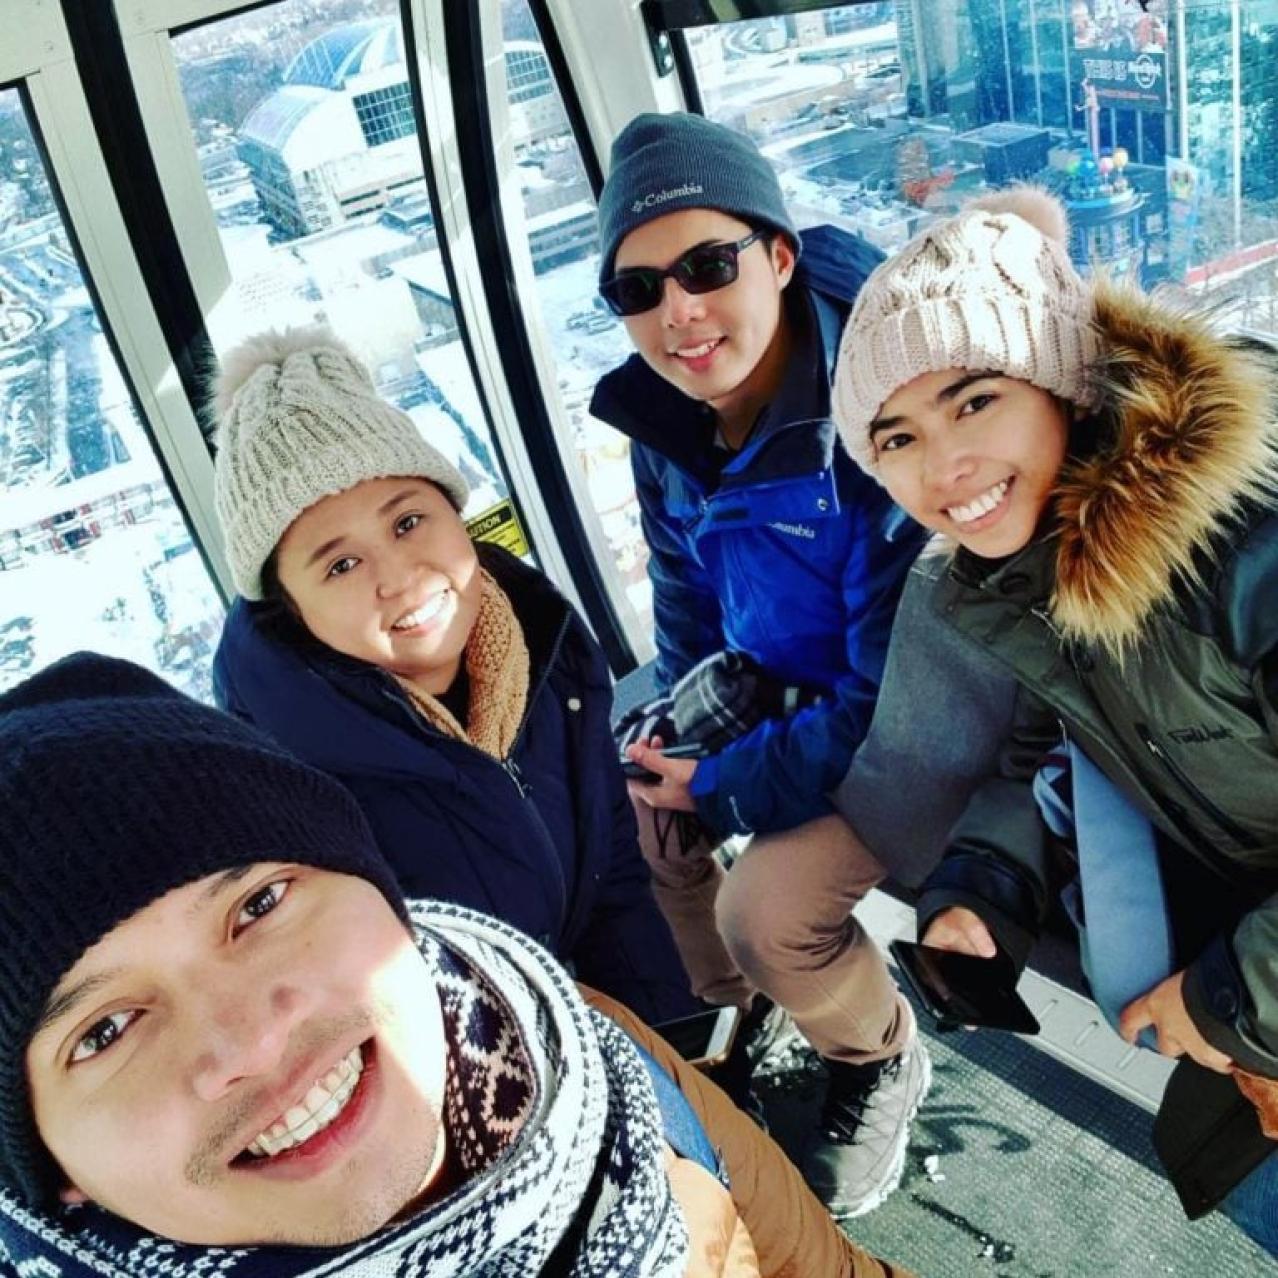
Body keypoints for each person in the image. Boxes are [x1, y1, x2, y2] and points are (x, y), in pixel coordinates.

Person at [0, 652, 912, 1278]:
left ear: (378, 893)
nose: (254, 1035)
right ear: (48, 1166)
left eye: (259, 904)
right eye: (105, 1029)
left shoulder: (577, 1044)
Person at [830, 185, 1278, 1253]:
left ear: (1064, 378)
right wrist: (984, 891)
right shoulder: (1035, 564)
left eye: (975, 400)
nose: (943, 471)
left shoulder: (1245, 542)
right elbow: (1067, 744)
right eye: (897, 437)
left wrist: (1231, 1007)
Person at [588, 110, 930, 1215]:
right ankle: (757, 1004)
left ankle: (874, 1050)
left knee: (769, 908)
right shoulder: (668, 422)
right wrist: (684, 729)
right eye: (639, 290)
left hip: (915, 721)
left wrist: (731, 777)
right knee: (640, 803)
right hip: (791, 691)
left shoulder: (875, 415)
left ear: (778, 257)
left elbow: (895, 699)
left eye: (706, 266)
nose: (677, 313)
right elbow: (685, 586)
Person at [209, 327, 694, 1026]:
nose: (400, 578)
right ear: (289, 609)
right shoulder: (280, 793)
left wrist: (672, 1039)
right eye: (341, 565)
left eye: (408, 521)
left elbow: (612, 875)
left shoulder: (546, 651)